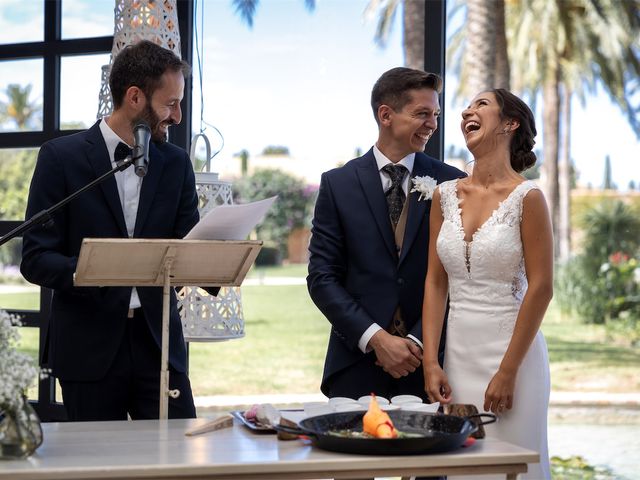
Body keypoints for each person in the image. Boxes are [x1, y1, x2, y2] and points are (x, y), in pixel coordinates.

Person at [21, 40, 199, 421]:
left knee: (182, 465)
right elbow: (36, 258)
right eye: (170, 103)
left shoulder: (177, 163)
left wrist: (218, 247)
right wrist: (97, 272)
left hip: (159, 345)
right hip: (88, 348)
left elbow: (189, 245)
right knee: (97, 466)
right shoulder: (60, 158)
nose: (178, 116)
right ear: (135, 97)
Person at [307, 67, 465, 402]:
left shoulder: (453, 182)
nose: (433, 125)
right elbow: (322, 277)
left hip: (431, 368)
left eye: (435, 115)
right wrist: (376, 338)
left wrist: (419, 343)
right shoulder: (338, 185)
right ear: (386, 115)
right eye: (422, 114)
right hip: (354, 363)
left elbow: (457, 274)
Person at [422, 88, 552, 479]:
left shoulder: (528, 198)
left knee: (512, 468)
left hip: (514, 359)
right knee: (464, 468)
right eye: (467, 107)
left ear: (510, 124)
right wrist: (431, 361)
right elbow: (434, 281)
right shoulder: (444, 195)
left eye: (481, 104)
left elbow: (542, 287)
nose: (466, 111)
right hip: (458, 359)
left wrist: (508, 370)